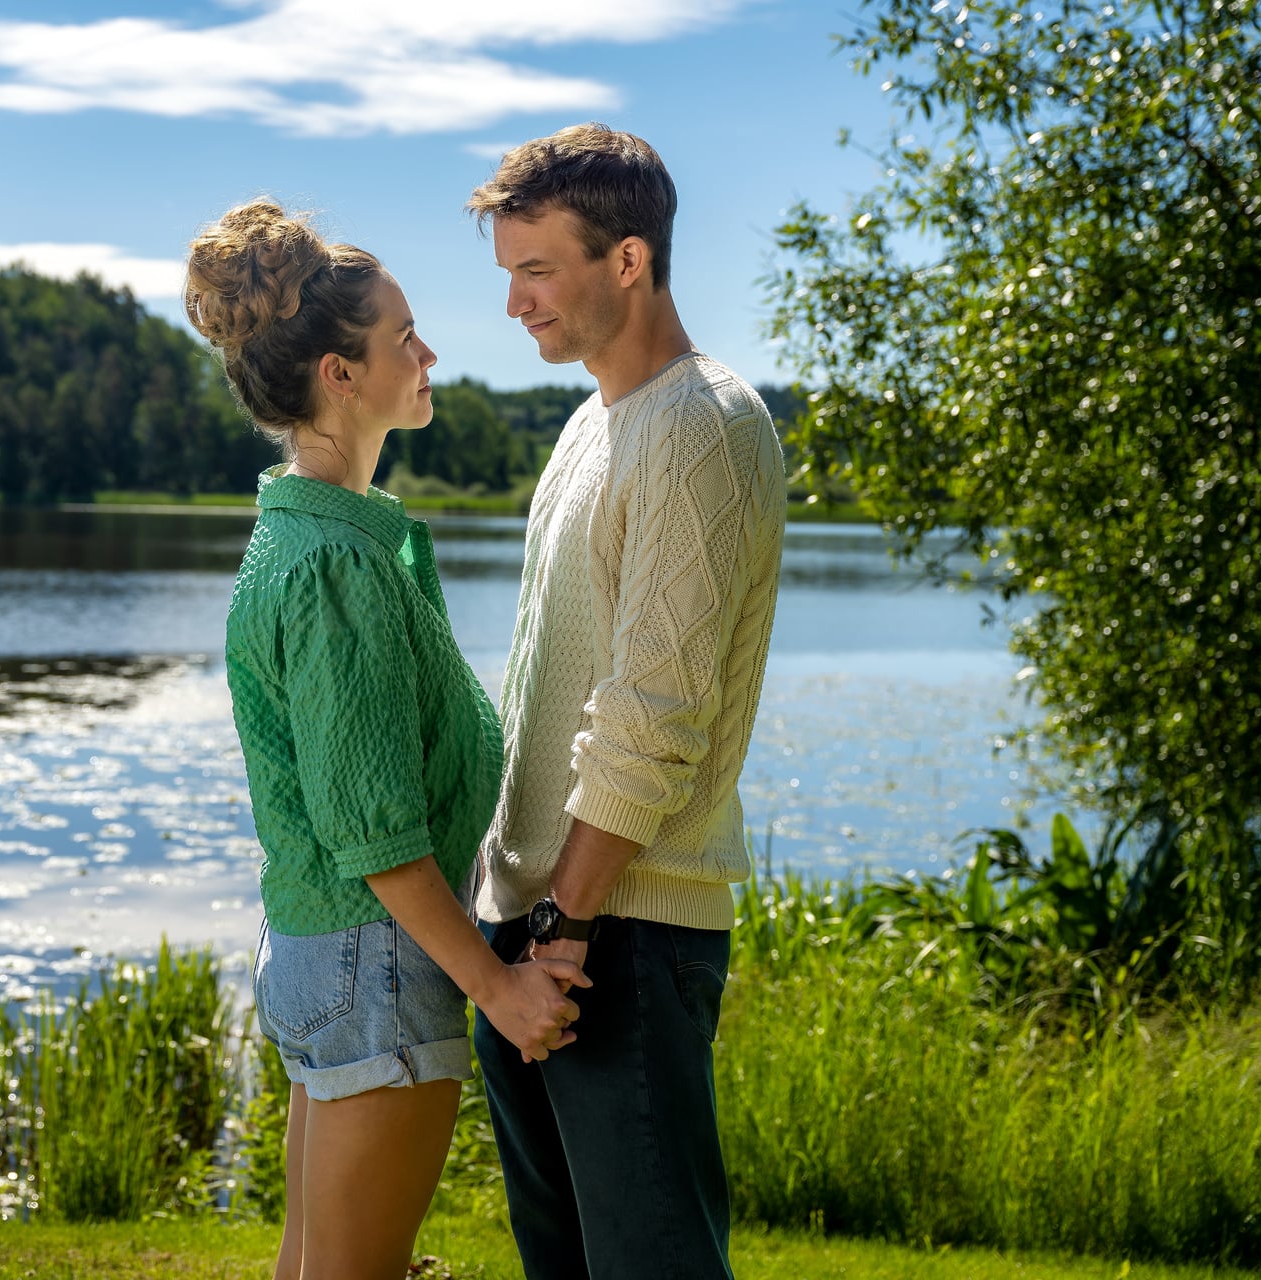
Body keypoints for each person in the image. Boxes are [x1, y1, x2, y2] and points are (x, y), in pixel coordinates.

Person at [188, 199, 590, 1280]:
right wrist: (498, 988)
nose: (429, 353)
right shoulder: (334, 566)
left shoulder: (312, 536)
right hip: (374, 964)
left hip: (336, 956)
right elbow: (377, 837)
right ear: (339, 374)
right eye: (402, 337)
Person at [464, 125, 788, 1279]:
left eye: (535, 270)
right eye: (508, 273)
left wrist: (563, 927)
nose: (514, 303)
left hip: (618, 934)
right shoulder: (590, 424)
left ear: (629, 260)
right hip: (538, 930)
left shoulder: (701, 423)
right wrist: (508, 931)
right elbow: (544, 678)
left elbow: (651, 710)